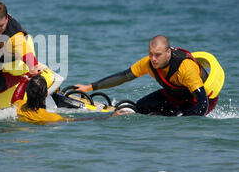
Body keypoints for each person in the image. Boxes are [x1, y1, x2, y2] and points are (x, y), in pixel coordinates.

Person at [75, 35, 219, 117]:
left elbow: (203, 100)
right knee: (141, 107)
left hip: (201, 98)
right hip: (175, 94)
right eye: (151, 54)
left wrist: (195, 124)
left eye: (158, 55)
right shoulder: (148, 63)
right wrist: (89, 87)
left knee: (183, 116)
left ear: (168, 52)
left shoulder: (185, 68)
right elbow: (124, 76)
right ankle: (169, 113)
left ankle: (173, 113)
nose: (153, 59)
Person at [11, 74, 129, 124]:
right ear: (46, 94)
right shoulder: (53, 118)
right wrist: (108, 117)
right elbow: (80, 121)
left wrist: (26, 76)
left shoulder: (18, 106)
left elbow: (15, 97)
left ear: (27, 93)